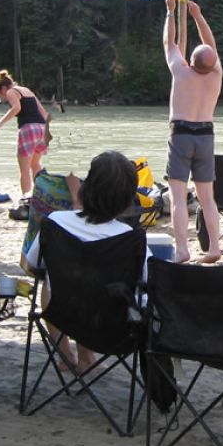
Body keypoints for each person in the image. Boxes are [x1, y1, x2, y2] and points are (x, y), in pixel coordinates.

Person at [24, 151, 139, 371]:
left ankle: (64, 353)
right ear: (127, 199)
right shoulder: (128, 236)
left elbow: (33, 263)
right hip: (109, 323)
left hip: (61, 310)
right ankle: (87, 356)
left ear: (88, 186)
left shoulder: (55, 222)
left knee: (50, 280)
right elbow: (143, 279)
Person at [163, 0, 222, 263]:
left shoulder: (180, 70)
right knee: (206, 198)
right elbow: (210, 43)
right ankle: (214, 248)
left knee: (177, 196)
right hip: (205, 135)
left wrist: (171, 13)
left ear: (191, 61)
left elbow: (169, 42)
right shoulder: (217, 74)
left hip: (182, 134)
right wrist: (198, 16)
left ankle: (183, 249)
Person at [0, 69, 52, 201]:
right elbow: (44, 113)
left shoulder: (12, 91)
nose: (2, 98)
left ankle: (26, 199)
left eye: (1, 95)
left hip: (28, 129)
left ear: (4, 87)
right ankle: (40, 196)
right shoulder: (27, 91)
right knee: (35, 165)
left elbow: (16, 108)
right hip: (41, 129)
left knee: (24, 170)